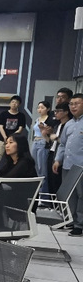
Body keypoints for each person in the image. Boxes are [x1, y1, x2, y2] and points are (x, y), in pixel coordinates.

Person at [52, 93, 83, 236]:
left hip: (80, 167)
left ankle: (79, 225)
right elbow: (63, 144)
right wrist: (58, 160)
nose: (73, 106)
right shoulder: (69, 124)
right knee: (69, 195)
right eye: (71, 104)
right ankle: (70, 220)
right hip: (67, 165)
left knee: (81, 195)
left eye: (77, 103)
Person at [46, 101, 71, 194]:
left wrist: (56, 138)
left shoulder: (68, 125)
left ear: (66, 112)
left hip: (61, 155)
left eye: (58, 111)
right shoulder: (57, 125)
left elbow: (66, 143)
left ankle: (57, 200)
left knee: (58, 180)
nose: (55, 113)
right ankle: (51, 199)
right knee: (50, 178)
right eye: (55, 111)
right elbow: (51, 141)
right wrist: (46, 134)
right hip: (52, 152)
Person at [0, 95, 26, 165]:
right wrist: (5, 137)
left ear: (19, 105)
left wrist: (11, 138)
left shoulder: (21, 116)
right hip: (2, 139)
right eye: (12, 102)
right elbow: (0, 127)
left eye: (16, 102)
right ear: (10, 103)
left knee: (13, 158)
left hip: (14, 141)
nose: (14, 104)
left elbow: (20, 129)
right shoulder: (3, 114)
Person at [30, 100, 53, 192]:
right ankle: (36, 190)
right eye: (38, 107)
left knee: (42, 168)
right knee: (34, 165)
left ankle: (43, 193)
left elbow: (50, 134)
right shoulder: (37, 119)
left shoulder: (49, 120)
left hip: (43, 142)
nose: (40, 109)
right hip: (35, 141)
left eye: (42, 107)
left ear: (48, 109)